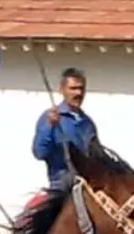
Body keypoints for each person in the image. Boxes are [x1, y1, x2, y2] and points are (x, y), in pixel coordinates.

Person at [31, 67, 98, 196]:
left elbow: (96, 157)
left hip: (86, 188)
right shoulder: (50, 117)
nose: (78, 93)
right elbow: (39, 153)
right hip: (61, 189)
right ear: (62, 90)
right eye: (73, 88)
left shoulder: (88, 123)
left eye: (81, 88)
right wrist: (50, 126)